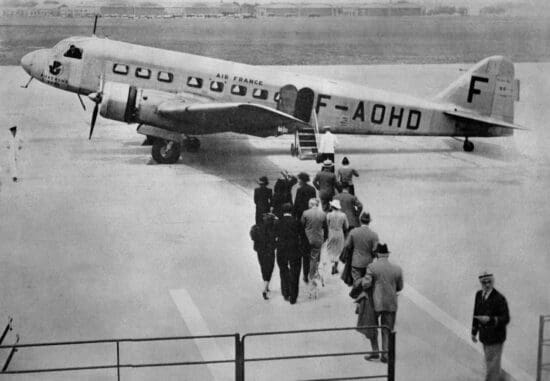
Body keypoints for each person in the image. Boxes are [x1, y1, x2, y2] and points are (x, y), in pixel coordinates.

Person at [359, 243, 403, 363]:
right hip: (391, 303)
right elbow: (400, 287)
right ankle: (385, 354)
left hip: (375, 302)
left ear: (377, 255)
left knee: (372, 327)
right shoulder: (397, 269)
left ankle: (375, 351)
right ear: (387, 255)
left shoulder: (372, 267)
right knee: (387, 329)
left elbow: (366, 284)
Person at [471, 271, 510, 381]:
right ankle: (500, 378)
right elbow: (476, 313)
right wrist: (474, 332)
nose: (487, 284)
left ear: (493, 282)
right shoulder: (478, 295)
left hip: (496, 338)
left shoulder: (499, 298)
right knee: (490, 363)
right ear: (481, 283)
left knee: (492, 368)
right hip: (484, 337)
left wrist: (491, 320)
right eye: (484, 282)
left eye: (489, 282)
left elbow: (506, 318)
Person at [274, 203, 302, 304]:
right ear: (291, 211)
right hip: (294, 249)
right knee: (295, 272)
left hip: (281, 249)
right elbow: (302, 237)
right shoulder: (297, 222)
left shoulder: (277, 222)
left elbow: (274, 235)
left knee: (283, 270)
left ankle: (286, 293)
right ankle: (293, 297)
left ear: (283, 211)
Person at [300, 198, 327, 298]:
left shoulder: (305, 213)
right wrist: (324, 239)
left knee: (306, 257)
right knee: (314, 259)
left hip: (307, 239)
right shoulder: (323, 214)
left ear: (311, 204)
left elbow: (301, 226)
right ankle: (312, 275)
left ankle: (306, 276)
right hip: (318, 239)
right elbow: (325, 228)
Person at [250, 213, 277, 300]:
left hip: (260, 251)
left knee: (263, 267)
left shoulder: (257, 227)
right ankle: (265, 288)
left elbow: (253, 237)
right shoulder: (272, 230)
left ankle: (266, 285)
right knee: (270, 268)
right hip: (269, 251)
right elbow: (274, 242)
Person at [344, 212, 378, 281]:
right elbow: (375, 251)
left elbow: (347, 245)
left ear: (360, 221)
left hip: (356, 262)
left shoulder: (353, 232)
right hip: (368, 263)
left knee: (356, 283)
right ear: (369, 222)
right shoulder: (374, 235)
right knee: (367, 284)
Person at [324, 199, 348, 275]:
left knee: (331, 249)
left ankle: (332, 264)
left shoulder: (329, 215)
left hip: (331, 233)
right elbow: (346, 226)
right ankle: (336, 266)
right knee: (338, 250)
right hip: (339, 233)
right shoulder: (343, 215)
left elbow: (327, 225)